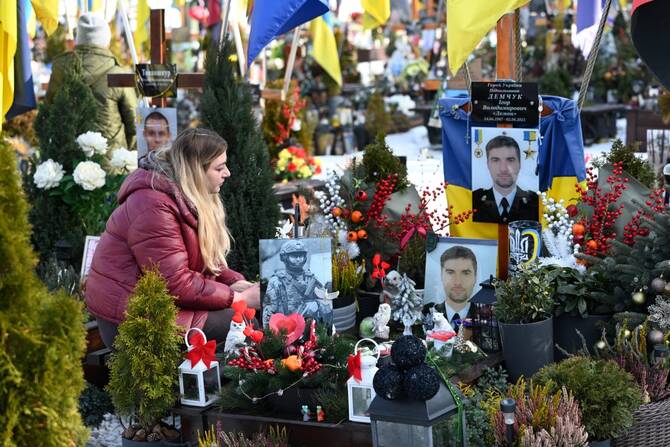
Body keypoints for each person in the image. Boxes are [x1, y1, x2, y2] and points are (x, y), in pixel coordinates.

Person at [85, 128, 260, 349]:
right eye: (219, 168)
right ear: (195, 171)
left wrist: (234, 283)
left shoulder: (184, 196)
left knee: (249, 318)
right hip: (131, 319)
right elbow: (175, 283)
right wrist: (237, 299)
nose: (227, 173)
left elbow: (202, 260)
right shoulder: (153, 207)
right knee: (245, 324)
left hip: (159, 305)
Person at [47, 12, 137, 150]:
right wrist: (126, 153)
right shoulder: (119, 73)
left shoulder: (60, 68)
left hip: (67, 155)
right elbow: (133, 122)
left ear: (78, 38)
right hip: (112, 157)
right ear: (106, 40)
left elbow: (48, 113)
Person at [263, 240, 332, 326]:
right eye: (294, 256)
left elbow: (327, 302)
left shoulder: (310, 278)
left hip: (310, 327)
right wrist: (270, 333)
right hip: (286, 328)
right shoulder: (276, 281)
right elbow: (268, 312)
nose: (298, 259)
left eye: (301, 256)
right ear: (285, 257)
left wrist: (317, 304)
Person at [472, 135, 539, 223]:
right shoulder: (474, 200)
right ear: (488, 164)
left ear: (519, 164)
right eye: (496, 160)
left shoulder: (536, 202)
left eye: (510, 160)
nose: (503, 169)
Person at [434, 245, 478, 327]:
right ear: (441, 275)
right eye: (450, 273)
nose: (458, 282)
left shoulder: (487, 318)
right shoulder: (427, 314)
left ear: (475, 277)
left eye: (465, 273)